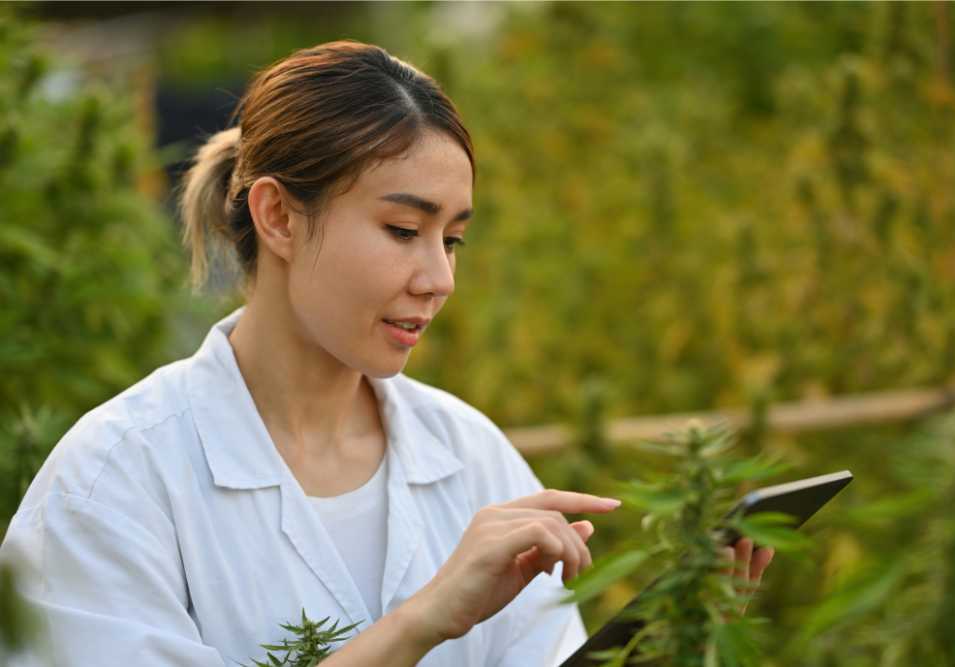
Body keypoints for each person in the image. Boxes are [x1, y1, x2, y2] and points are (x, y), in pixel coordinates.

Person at [0, 40, 773, 667]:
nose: (438, 278)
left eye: (454, 238)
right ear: (277, 215)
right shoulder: (113, 483)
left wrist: (678, 640)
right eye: (404, 230)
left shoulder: (469, 455)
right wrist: (422, 622)